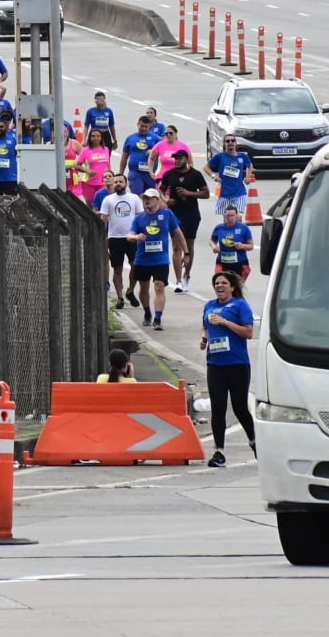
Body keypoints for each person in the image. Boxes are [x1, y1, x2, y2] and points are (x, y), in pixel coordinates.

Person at [200, 272, 256, 468]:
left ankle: (254, 441)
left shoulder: (240, 305)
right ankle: (219, 452)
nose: (220, 286)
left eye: (224, 283)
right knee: (218, 408)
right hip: (215, 364)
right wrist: (204, 338)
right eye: (216, 283)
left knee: (240, 408)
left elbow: (248, 332)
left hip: (237, 364)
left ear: (232, 287)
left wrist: (225, 322)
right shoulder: (209, 306)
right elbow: (205, 326)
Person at [130, 189, 187, 331]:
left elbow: (178, 232)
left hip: (160, 260)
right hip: (142, 260)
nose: (147, 201)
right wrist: (137, 237)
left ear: (157, 199)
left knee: (159, 286)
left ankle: (158, 318)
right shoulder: (139, 218)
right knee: (144, 288)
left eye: (149, 198)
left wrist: (186, 252)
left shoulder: (167, 214)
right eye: (145, 199)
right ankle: (147, 313)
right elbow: (129, 235)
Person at [158, 149, 210, 293]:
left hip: (191, 213)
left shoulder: (195, 174)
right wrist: (167, 200)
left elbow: (206, 193)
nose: (176, 161)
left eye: (179, 159)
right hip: (175, 214)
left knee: (189, 245)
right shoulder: (169, 174)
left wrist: (189, 193)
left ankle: (187, 274)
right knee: (176, 246)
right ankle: (178, 280)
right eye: (175, 159)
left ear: (186, 159)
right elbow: (161, 190)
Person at [99, 173, 141, 310]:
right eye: (116, 181)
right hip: (115, 238)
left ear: (126, 183)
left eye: (120, 181)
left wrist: (141, 234)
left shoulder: (134, 198)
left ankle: (130, 290)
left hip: (132, 237)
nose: (118, 183)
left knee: (136, 265)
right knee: (117, 269)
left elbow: (140, 217)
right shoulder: (108, 200)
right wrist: (102, 238)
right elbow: (103, 220)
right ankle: (120, 297)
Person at [205, 135, 256, 218]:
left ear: (236, 143)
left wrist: (247, 177)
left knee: (238, 218)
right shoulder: (220, 156)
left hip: (239, 193)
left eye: (232, 141)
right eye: (227, 141)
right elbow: (206, 167)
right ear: (224, 144)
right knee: (227, 220)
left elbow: (249, 165)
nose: (230, 143)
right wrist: (214, 176)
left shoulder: (242, 156)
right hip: (224, 194)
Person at [209, 205, 256, 281]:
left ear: (237, 215)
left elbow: (251, 246)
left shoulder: (243, 228)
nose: (230, 218)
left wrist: (242, 246)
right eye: (228, 216)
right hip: (222, 262)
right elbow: (212, 241)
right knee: (221, 284)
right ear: (224, 216)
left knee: (237, 288)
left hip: (240, 263)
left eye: (232, 215)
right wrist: (214, 247)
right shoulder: (219, 228)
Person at [74, 129, 113, 204]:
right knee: (91, 206)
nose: (96, 138)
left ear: (101, 138)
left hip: (103, 183)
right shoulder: (85, 150)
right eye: (93, 136)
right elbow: (77, 166)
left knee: (103, 204)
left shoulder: (106, 149)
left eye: (98, 136)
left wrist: (111, 177)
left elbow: (108, 164)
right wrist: (88, 171)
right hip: (89, 183)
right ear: (90, 138)